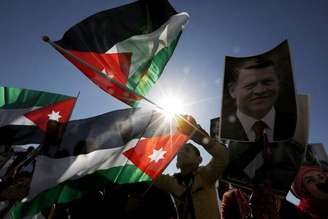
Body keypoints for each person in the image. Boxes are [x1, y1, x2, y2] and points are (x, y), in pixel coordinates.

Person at [154, 115, 229, 219]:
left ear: (199, 160)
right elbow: (148, 174)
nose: (182, 153)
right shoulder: (171, 182)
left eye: (187, 150)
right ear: (176, 164)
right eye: (179, 152)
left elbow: (223, 156)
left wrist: (197, 133)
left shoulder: (205, 175)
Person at [221, 59, 296, 142]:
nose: (260, 91)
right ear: (232, 90)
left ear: (278, 83)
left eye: (267, 82)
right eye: (249, 85)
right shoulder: (221, 131)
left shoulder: (297, 124)